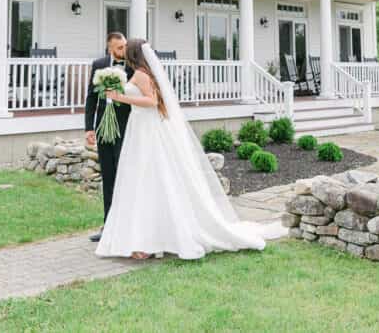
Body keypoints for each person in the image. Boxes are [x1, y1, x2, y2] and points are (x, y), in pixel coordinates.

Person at [96, 38, 287, 260]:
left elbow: (152, 101)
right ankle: (145, 238)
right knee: (142, 180)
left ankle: (147, 242)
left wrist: (120, 97)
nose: (124, 52)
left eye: (127, 50)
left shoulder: (141, 74)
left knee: (147, 180)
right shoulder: (141, 73)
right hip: (140, 128)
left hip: (146, 129)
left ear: (133, 54)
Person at [83, 32, 133, 243]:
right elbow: (91, 97)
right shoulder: (98, 64)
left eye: (125, 46)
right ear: (110, 47)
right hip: (103, 127)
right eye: (120, 47)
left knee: (125, 177)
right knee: (109, 177)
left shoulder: (133, 66)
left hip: (126, 127)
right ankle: (108, 226)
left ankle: (128, 227)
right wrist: (89, 128)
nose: (124, 51)